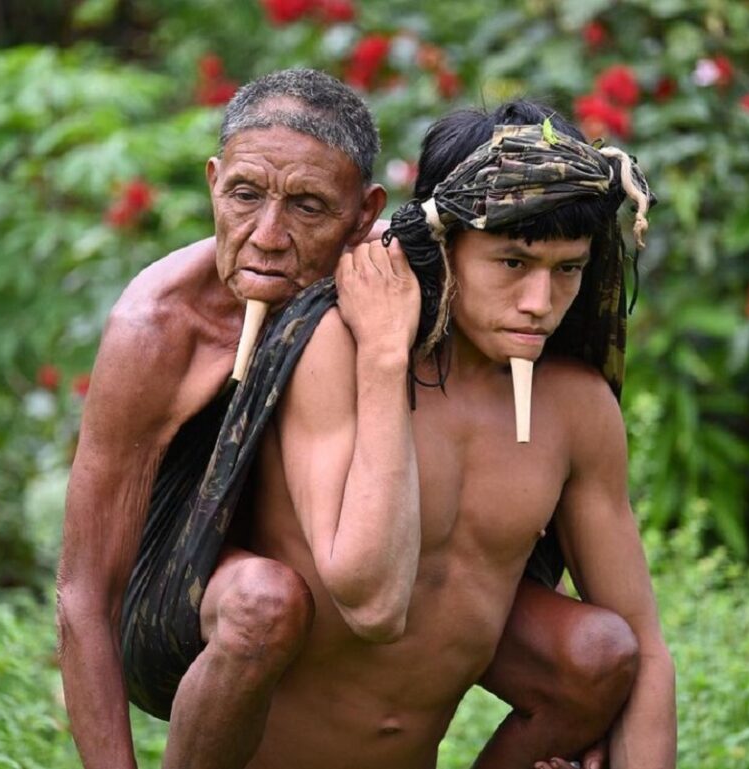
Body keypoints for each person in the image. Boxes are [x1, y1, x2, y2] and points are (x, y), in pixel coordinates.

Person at [57, 68, 639, 769]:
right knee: (262, 602)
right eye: (245, 195)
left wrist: (592, 711)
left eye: (307, 207)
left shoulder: (390, 298)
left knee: (594, 652)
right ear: (213, 182)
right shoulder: (161, 326)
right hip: (211, 602)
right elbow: (86, 591)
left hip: (360, 608)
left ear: (366, 216)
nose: (268, 236)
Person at [236, 103, 676, 768]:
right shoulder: (337, 349)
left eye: (567, 269)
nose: (540, 301)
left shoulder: (575, 410)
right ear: (443, 248)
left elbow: (644, 649)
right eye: (512, 261)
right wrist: (385, 356)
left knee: (603, 648)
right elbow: (371, 601)